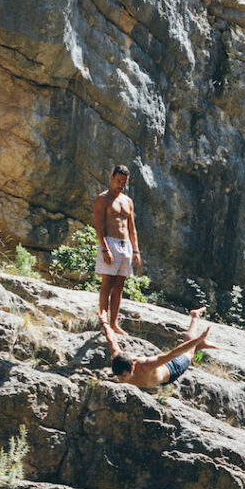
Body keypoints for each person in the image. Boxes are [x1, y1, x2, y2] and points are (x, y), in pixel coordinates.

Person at [97, 307, 217, 388]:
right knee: (191, 348)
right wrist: (104, 323)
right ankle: (199, 345)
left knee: (189, 354)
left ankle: (195, 317)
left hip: (172, 370)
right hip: (152, 383)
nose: (121, 379)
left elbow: (174, 353)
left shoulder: (147, 365)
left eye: (123, 376)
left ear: (133, 367)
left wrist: (198, 339)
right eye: (118, 375)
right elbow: (111, 339)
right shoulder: (118, 358)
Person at [93, 164, 141, 335]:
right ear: (112, 178)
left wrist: (135, 251)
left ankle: (114, 323)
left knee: (119, 286)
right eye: (118, 181)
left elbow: (132, 228)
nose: (121, 184)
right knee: (107, 283)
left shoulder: (128, 201)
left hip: (125, 245)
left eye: (124, 182)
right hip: (110, 243)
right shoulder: (103, 199)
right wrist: (105, 249)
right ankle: (104, 323)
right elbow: (98, 226)